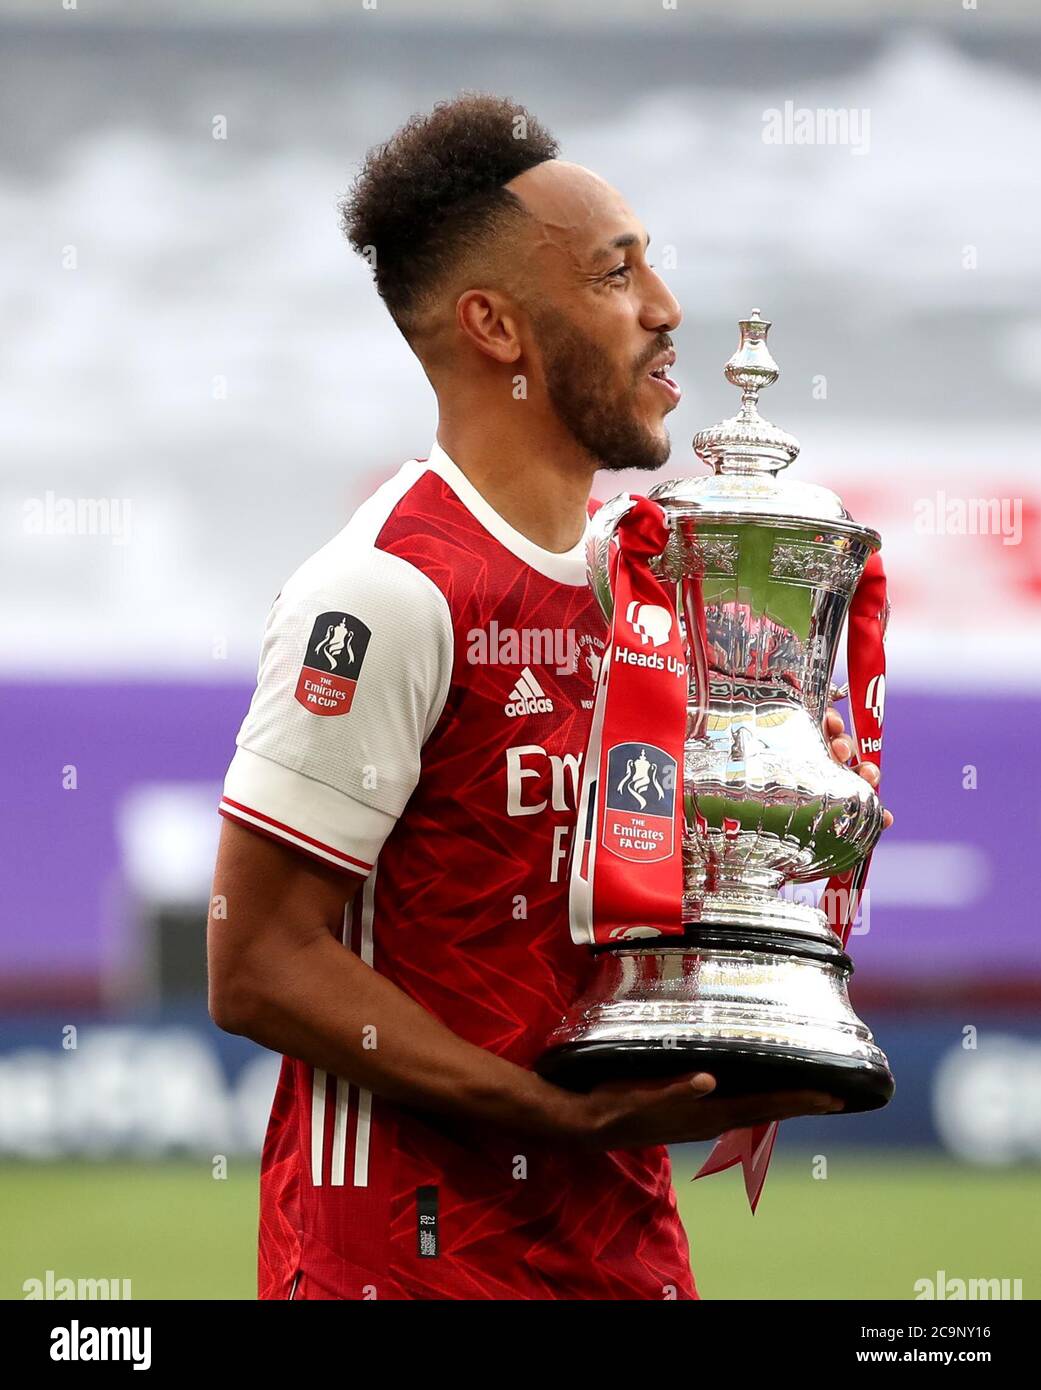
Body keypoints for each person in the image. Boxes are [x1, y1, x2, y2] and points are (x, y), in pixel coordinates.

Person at [207, 93, 890, 1301]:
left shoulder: (657, 575)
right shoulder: (387, 590)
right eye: (617, 274)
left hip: (618, 1244)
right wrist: (536, 1110)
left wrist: (759, 821)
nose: (667, 310)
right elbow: (257, 958)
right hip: (405, 1258)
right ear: (496, 327)